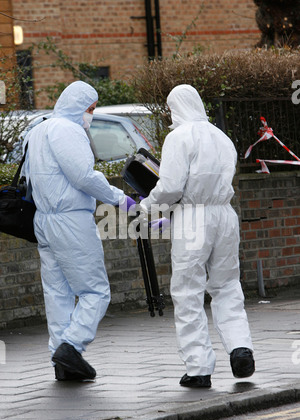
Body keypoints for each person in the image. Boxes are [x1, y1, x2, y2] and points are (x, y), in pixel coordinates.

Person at [140, 84, 255, 388]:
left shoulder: (179, 137)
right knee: (227, 284)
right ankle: (241, 349)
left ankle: (199, 367)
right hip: (224, 215)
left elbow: (171, 187)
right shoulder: (222, 137)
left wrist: (146, 208)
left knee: (188, 291)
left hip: (193, 217)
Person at [23, 81, 135, 381]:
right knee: (95, 291)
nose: (91, 115)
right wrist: (119, 198)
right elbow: (84, 176)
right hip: (71, 219)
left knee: (57, 292)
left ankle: (61, 361)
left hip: (44, 220)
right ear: (79, 105)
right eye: (91, 109)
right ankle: (71, 347)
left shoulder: (38, 130)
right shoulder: (69, 130)